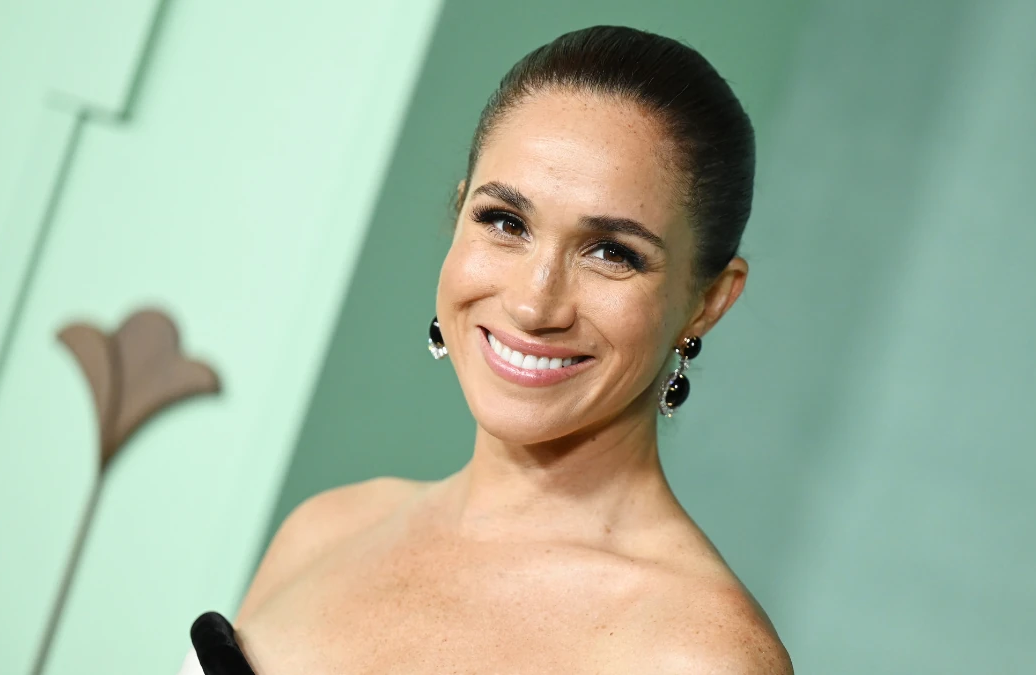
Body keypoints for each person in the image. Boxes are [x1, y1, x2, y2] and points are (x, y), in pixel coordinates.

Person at [179, 24, 791, 675]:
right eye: (506, 221)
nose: (533, 304)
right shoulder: (324, 530)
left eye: (613, 253)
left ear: (708, 301)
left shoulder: (699, 655)